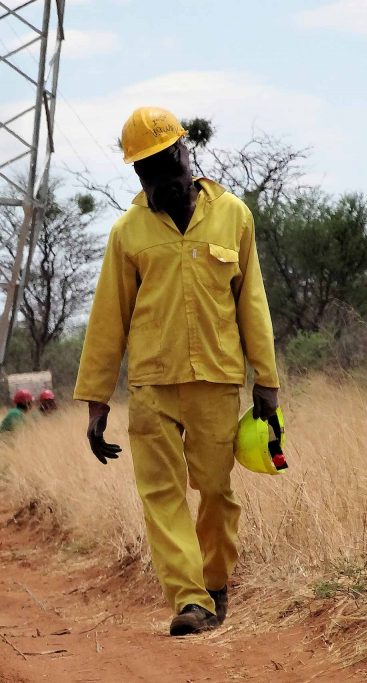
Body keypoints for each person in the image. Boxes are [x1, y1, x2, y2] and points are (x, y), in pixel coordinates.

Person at [73, 106, 280, 636]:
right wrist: (97, 401)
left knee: (214, 490)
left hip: (216, 379)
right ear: (136, 174)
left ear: (186, 153)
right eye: (145, 169)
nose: (160, 177)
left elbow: (251, 301)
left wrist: (268, 382)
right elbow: (108, 317)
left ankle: (213, 583)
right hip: (152, 385)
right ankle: (189, 600)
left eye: (166, 162)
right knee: (161, 494)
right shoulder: (128, 232)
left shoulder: (233, 216)